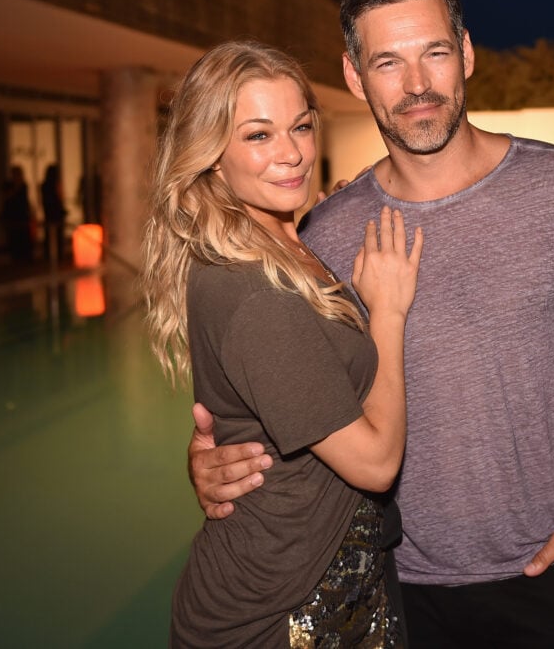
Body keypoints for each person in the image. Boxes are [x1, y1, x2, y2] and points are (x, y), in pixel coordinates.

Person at [188, 0, 554, 647]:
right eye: (388, 62)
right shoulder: (325, 237)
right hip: (399, 593)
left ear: (467, 54)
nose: (417, 85)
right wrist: (216, 459)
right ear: (356, 78)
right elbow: (286, 387)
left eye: (434, 53)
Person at [141, 39, 423, 647]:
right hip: (276, 611)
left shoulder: (284, 243)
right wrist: (389, 313)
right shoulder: (252, 294)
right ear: (212, 154)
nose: (293, 153)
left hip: (337, 580)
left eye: (299, 126)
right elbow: (374, 465)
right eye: (259, 135)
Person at [0, 165, 33, 262]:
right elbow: (5, 198)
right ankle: (16, 257)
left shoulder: (24, 185)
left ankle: (25, 257)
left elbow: (25, 201)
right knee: (14, 237)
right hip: (12, 215)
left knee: (23, 236)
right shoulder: (8, 185)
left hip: (22, 214)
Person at [40, 163, 67, 264]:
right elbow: (59, 198)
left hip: (49, 213)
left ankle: (50, 256)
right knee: (57, 235)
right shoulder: (54, 184)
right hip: (55, 213)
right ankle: (57, 256)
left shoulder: (44, 185)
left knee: (50, 235)